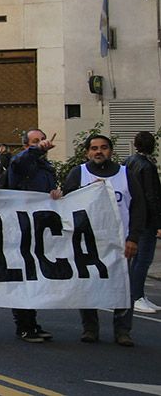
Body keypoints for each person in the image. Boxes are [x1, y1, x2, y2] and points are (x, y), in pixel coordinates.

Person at [63, 133, 146, 347]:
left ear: (110, 151)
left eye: (103, 147)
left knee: (123, 288)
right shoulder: (78, 174)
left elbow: (138, 207)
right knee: (88, 285)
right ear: (87, 152)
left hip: (119, 243)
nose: (98, 151)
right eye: (94, 148)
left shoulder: (126, 175)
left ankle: (123, 331)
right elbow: (65, 204)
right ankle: (90, 328)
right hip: (88, 241)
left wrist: (133, 237)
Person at [4, 127, 59, 342]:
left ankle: (33, 322)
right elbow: (17, 164)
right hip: (21, 227)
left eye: (43, 140)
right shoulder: (21, 163)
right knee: (23, 277)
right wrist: (36, 151)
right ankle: (23, 326)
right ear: (26, 146)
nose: (40, 144)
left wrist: (54, 195)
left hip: (40, 227)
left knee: (35, 278)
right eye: (35, 142)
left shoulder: (46, 167)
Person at [126, 132, 160, 314]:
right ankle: (136, 296)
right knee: (144, 258)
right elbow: (151, 196)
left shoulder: (129, 161)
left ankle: (137, 294)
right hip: (147, 218)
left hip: (133, 215)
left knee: (137, 258)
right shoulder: (147, 166)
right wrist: (158, 222)